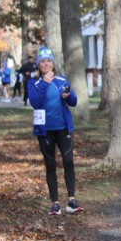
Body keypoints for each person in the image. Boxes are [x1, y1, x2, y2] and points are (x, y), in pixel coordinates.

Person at [28, 46, 83, 216]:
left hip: (63, 128)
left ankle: (72, 200)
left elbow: (73, 101)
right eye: (43, 62)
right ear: (39, 65)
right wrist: (45, 82)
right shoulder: (34, 83)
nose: (46, 64)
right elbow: (35, 103)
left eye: (49, 61)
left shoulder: (61, 79)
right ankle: (55, 203)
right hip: (45, 130)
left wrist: (68, 96)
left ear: (53, 63)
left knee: (68, 161)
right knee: (50, 164)